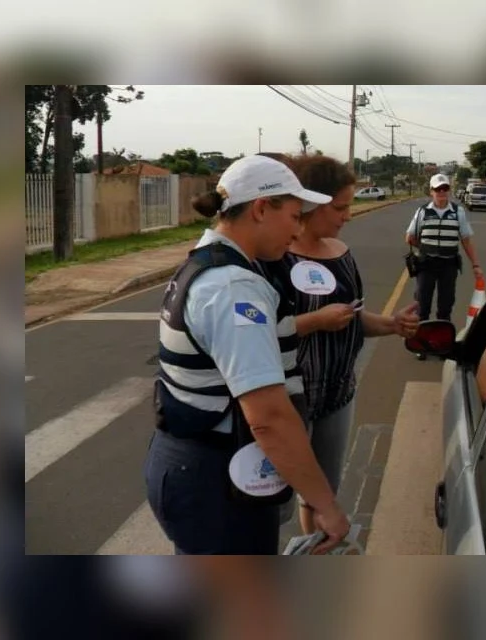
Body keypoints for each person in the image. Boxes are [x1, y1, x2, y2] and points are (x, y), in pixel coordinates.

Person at [146, 154, 351, 555]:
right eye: (294, 216)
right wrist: (324, 504)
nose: (296, 232)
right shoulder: (233, 288)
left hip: (199, 465)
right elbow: (269, 418)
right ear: (260, 209)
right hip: (214, 480)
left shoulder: (213, 265)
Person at [260, 155, 421, 536]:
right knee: (271, 501)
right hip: (286, 399)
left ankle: (313, 554)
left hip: (337, 394)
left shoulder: (341, 255)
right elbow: (255, 336)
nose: (347, 215)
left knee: (323, 493)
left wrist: (392, 324)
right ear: (310, 204)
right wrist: (315, 321)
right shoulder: (272, 258)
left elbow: (352, 319)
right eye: (340, 207)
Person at [406, 174, 484, 359]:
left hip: (448, 265)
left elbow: (465, 240)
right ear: (431, 191)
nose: (441, 193)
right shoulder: (422, 212)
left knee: (445, 305)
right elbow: (410, 237)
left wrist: (476, 265)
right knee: (422, 305)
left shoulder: (458, 212)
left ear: (448, 190)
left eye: (445, 189)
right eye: (437, 189)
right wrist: (426, 248)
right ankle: (421, 345)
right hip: (426, 264)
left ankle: (442, 344)